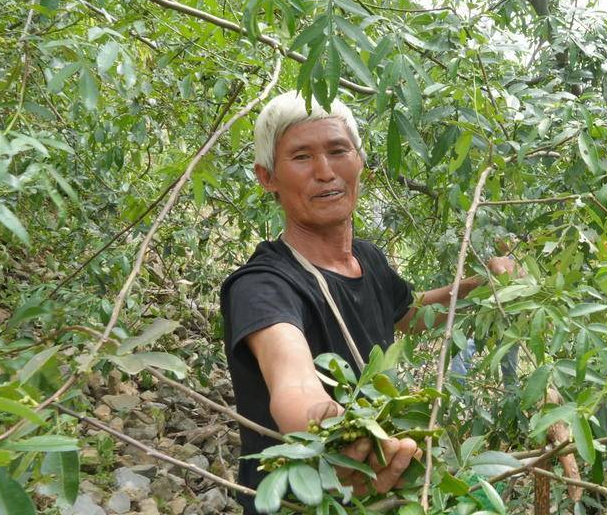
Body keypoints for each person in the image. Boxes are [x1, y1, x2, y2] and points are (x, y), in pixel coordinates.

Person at [219, 91, 517, 513]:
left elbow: (411, 314)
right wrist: (331, 428)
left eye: (338, 150)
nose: (325, 172)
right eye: (301, 157)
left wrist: (478, 286)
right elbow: (293, 381)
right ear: (267, 177)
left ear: (361, 162)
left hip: (377, 492)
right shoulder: (262, 285)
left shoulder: (367, 259)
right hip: (299, 502)